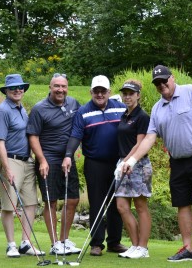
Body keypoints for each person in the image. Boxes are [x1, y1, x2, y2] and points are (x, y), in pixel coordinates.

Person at [120, 65, 192, 264]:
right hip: (177, 161)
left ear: (172, 78)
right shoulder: (157, 108)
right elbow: (149, 138)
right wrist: (131, 160)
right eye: (157, 83)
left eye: (164, 80)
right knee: (182, 204)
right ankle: (187, 248)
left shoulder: (190, 91)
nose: (161, 85)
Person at [63, 75, 128, 256]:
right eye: (96, 91)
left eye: (103, 91)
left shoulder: (121, 108)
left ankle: (115, 242)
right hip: (95, 163)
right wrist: (68, 155)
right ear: (91, 92)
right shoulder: (83, 112)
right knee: (97, 203)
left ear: (109, 92)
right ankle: (96, 243)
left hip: (118, 163)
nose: (100, 94)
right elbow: (76, 136)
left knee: (117, 203)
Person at [27, 73, 82, 256]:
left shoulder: (73, 103)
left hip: (67, 158)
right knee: (51, 201)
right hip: (48, 159)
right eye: (56, 86)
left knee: (72, 199)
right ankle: (54, 244)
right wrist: (41, 160)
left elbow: (80, 126)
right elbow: (33, 136)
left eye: (64, 86)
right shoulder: (39, 109)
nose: (60, 90)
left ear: (67, 88)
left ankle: (64, 240)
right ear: (50, 88)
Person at [0, 74, 44, 258]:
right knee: (9, 205)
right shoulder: (3, 110)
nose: (17, 90)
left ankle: (26, 243)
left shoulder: (21, 108)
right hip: (11, 160)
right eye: (13, 88)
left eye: (20, 87)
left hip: (27, 161)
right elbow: (0, 142)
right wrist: (6, 168)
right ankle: (11, 244)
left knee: (30, 203)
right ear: (6, 91)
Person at [114, 80, 153, 259]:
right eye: (125, 93)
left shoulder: (142, 116)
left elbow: (140, 144)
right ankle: (135, 244)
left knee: (140, 205)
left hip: (138, 165)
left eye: (131, 93)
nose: (127, 96)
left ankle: (143, 247)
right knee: (122, 206)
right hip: (124, 164)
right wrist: (122, 162)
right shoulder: (125, 115)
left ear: (138, 95)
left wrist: (127, 161)